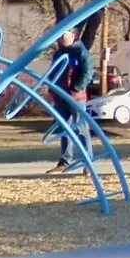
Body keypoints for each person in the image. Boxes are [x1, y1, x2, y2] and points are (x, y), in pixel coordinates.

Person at [44, 30, 91, 171]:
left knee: (81, 129)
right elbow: (53, 72)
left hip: (75, 98)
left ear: (72, 36)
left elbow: (87, 72)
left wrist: (76, 87)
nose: (62, 41)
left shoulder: (81, 51)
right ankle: (65, 161)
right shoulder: (59, 53)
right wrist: (52, 88)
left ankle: (87, 162)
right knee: (64, 129)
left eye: (64, 38)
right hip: (60, 96)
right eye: (60, 39)